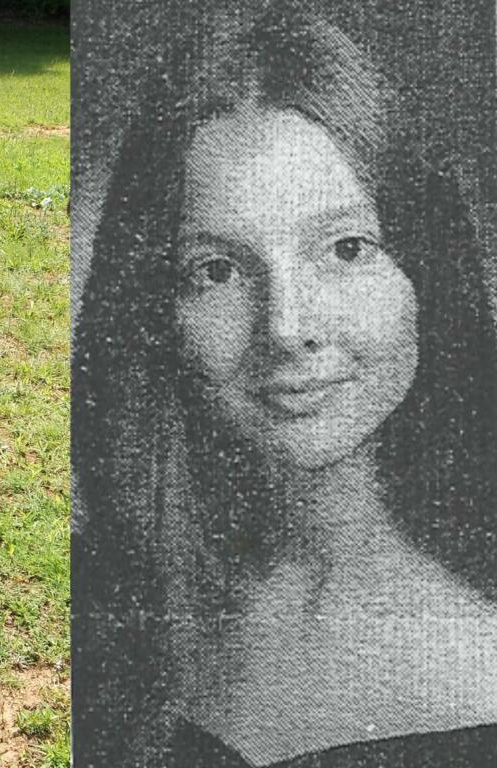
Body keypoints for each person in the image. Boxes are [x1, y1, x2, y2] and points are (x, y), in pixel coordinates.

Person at [72, 2, 497, 765]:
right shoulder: (101, 609)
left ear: (429, 268)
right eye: (219, 270)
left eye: (344, 248)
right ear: (152, 309)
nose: (284, 327)